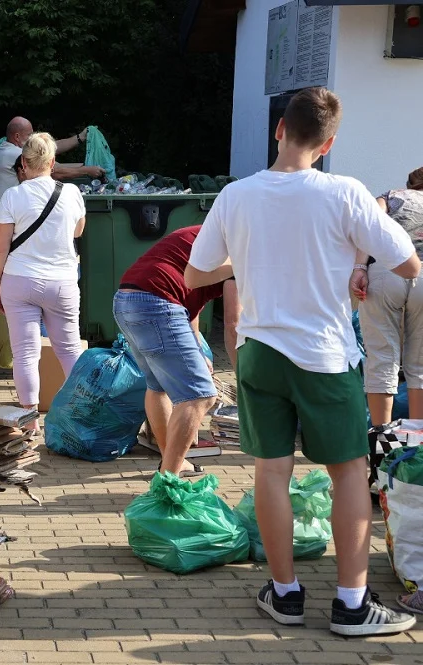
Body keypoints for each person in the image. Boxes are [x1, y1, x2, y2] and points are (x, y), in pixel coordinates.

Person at [186, 87, 419, 636]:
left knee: (271, 471)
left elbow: (196, 275)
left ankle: (285, 595)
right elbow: (407, 264)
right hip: (324, 355)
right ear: (330, 143)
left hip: (259, 352)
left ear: (279, 130)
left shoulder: (236, 195)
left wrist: (244, 259)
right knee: (349, 475)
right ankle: (352, 605)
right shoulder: (345, 193)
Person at [113, 226, 241, 479]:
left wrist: (197, 349)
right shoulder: (243, 251)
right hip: (159, 303)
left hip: (126, 300)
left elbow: (191, 301)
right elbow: (233, 324)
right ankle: (169, 479)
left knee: (157, 385)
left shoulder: (202, 233)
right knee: (200, 396)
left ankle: (171, 462)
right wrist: (243, 376)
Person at [0, 133, 86, 430]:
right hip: (62, 281)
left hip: (19, 280)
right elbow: (78, 231)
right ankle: (78, 415)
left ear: (24, 163)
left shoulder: (13, 196)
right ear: (52, 162)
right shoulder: (71, 192)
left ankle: (30, 421)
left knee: (24, 352)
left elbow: (0, 247)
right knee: (70, 350)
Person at [0, 117, 101, 315]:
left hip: (0, 226)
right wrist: (86, 169)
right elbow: (56, 170)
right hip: (3, 228)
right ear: (17, 137)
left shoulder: (5, 150)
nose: (33, 140)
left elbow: (49, 151)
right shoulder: (14, 155)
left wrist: (79, 139)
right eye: (29, 136)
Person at [352, 167, 423, 428]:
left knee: (382, 359)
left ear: (410, 185)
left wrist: (360, 268)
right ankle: (418, 447)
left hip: (387, 271)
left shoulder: (393, 196)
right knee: (420, 366)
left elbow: (368, 223)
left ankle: (379, 440)